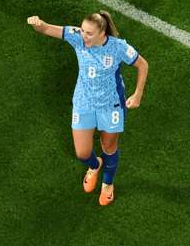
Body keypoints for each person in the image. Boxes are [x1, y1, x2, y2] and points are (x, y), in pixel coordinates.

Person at [26, 11, 149, 206]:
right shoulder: (77, 37)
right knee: (82, 153)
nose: (84, 36)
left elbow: (143, 65)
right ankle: (95, 165)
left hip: (111, 105)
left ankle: (107, 184)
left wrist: (138, 94)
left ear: (102, 33)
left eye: (89, 33)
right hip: (84, 103)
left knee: (109, 147)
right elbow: (47, 28)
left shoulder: (118, 47)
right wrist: (37, 23)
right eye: (82, 31)